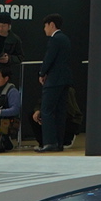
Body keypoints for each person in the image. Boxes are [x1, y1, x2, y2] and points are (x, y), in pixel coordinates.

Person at [35, 13, 72, 151]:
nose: (44, 29)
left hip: (54, 79)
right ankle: (59, 143)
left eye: (45, 26)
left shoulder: (54, 39)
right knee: (61, 111)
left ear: (51, 25)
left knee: (47, 110)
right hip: (65, 79)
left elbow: (49, 58)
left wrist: (42, 73)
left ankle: (49, 142)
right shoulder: (65, 39)